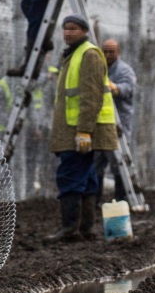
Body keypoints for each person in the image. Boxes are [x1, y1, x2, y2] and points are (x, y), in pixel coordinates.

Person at [50, 15, 117, 241]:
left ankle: (71, 229)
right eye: (65, 29)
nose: (68, 33)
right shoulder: (74, 54)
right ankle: (86, 229)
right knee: (87, 178)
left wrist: (84, 131)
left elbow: (91, 97)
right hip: (74, 128)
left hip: (78, 130)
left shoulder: (88, 54)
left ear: (84, 31)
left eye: (73, 29)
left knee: (70, 175)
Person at [92, 39, 137, 202]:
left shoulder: (125, 70)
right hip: (100, 124)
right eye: (105, 51)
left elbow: (128, 89)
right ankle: (95, 200)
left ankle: (122, 198)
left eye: (112, 51)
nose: (108, 55)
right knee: (97, 162)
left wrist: (115, 88)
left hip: (118, 125)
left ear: (118, 52)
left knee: (118, 162)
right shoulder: (98, 69)